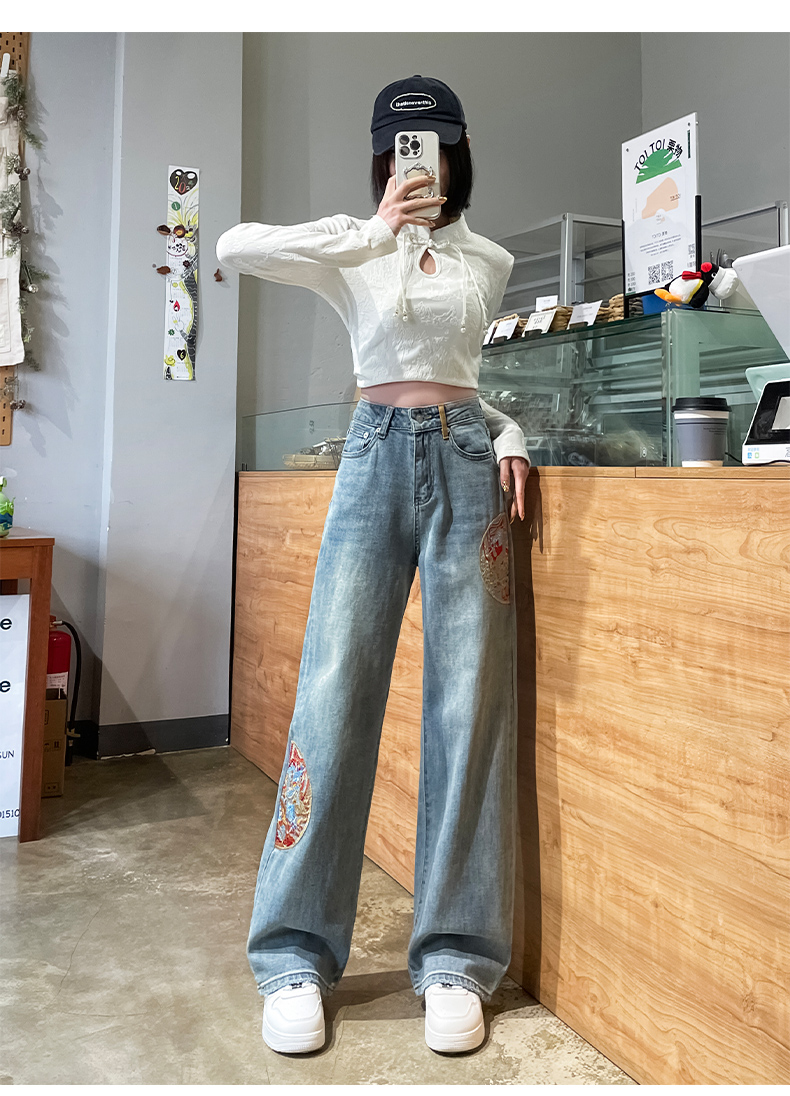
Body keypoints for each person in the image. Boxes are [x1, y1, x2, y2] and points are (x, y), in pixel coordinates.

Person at [216, 75, 530, 1057]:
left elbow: (462, 379)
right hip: (369, 459)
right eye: (398, 149)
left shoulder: (490, 258)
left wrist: (508, 429)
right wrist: (369, 229)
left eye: (429, 146)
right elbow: (231, 247)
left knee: (468, 705)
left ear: (458, 150)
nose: (414, 164)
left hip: (466, 464)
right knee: (332, 691)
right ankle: (294, 954)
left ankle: (457, 957)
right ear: (382, 157)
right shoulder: (351, 248)